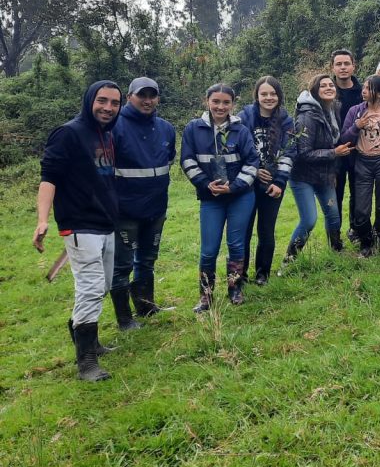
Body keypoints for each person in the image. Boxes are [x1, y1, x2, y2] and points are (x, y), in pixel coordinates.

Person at [34, 81, 123, 382]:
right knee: (90, 287)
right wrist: (42, 220)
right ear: (89, 100)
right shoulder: (68, 133)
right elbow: (49, 177)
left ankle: (86, 337)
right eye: (102, 101)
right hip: (79, 223)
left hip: (106, 222)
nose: (108, 108)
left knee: (104, 285)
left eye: (114, 103)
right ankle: (86, 362)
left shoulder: (107, 134)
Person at [180, 84, 259, 312]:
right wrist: (207, 184)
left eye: (226, 102)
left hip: (240, 197)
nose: (220, 107)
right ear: (207, 101)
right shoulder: (193, 129)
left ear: (233, 104)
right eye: (216, 101)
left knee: (236, 244)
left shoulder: (241, 130)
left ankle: (235, 289)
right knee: (209, 249)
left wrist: (233, 187)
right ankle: (206, 296)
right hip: (210, 198)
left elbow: (252, 162)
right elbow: (187, 161)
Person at [109, 77, 176, 331]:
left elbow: (168, 160)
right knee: (122, 265)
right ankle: (125, 319)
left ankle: (146, 307)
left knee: (147, 259)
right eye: (142, 95)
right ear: (129, 97)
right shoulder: (114, 127)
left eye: (152, 95)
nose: (147, 101)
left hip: (156, 208)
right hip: (124, 211)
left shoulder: (166, 128)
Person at [340, 74, 380, 257]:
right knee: (361, 208)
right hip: (362, 161)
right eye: (364, 87)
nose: (364, 91)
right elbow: (344, 138)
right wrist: (356, 126)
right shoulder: (355, 111)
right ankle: (366, 242)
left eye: (368, 88)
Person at [287, 75, 349, 261]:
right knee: (309, 220)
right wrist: (334, 153)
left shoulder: (333, 109)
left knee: (333, 215)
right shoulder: (307, 116)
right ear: (315, 90)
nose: (329, 88)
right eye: (323, 86)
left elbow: (333, 141)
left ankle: (336, 252)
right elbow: (303, 153)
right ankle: (290, 259)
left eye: (331, 85)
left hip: (325, 174)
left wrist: (333, 170)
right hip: (302, 176)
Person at [239, 76, 294, 285]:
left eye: (273, 94)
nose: (269, 97)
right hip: (247, 185)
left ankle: (263, 275)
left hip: (273, 184)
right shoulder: (244, 117)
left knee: (266, 231)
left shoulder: (286, 120)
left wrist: (279, 182)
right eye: (264, 94)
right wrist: (254, 171)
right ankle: (240, 275)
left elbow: (290, 152)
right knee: (243, 231)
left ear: (279, 96)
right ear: (256, 95)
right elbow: (237, 150)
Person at [330, 49, 362, 243]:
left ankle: (356, 231)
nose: (343, 67)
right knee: (335, 195)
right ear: (332, 67)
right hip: (334, 152)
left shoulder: (363, 92)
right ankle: (335, 238)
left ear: (353, 66)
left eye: (346, 63)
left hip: (359, 150)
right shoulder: (326, 91)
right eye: (339, 64)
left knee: (358, 194)